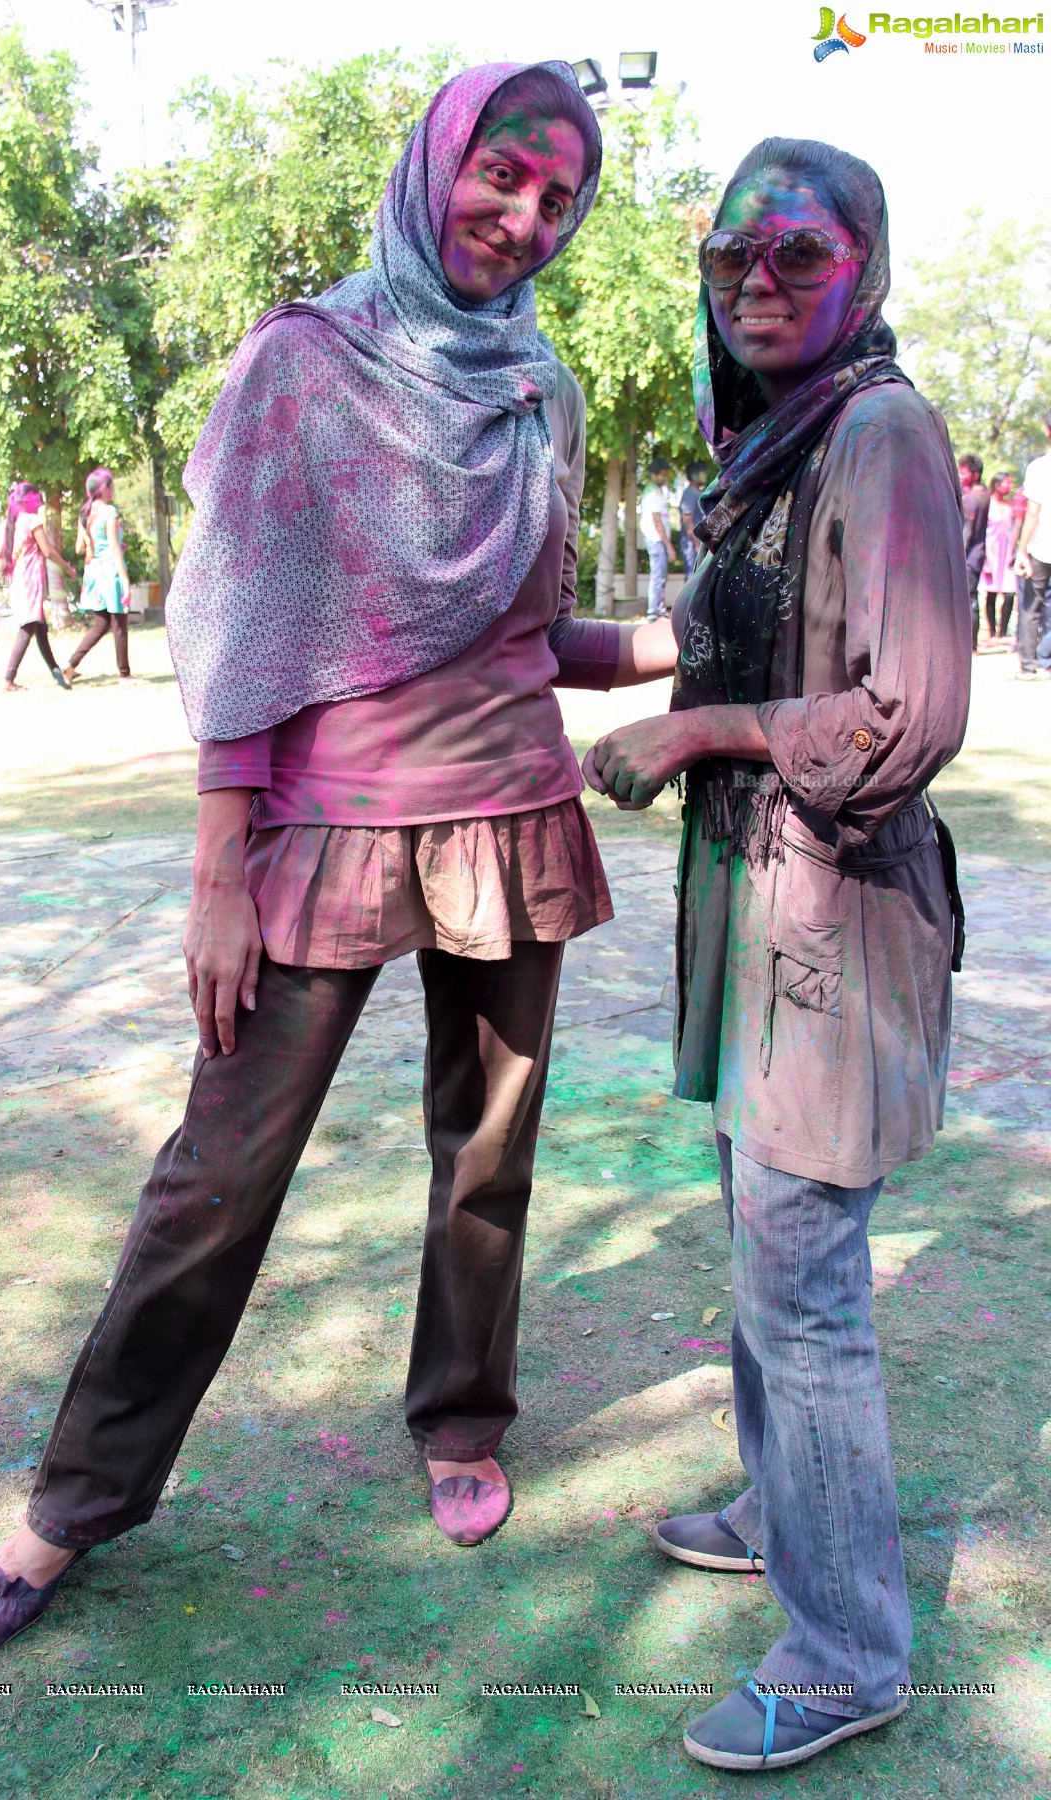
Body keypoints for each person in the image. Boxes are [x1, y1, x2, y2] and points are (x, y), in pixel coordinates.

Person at [0, 59, 669, 1659]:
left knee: (486, 1151)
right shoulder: (306, 358)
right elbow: (249, 619)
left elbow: (526, 630)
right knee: (216, 1177)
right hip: (320, 828)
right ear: (435, 162)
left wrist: (675, 643)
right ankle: (74, 1502)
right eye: (503, 174)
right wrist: (220, 867)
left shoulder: (536, 388)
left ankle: (462, 1418)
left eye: (559, 198)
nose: (524, 216)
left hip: (504, 806)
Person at [585, 137, 969, 1771]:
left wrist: (697, 741)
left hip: (838, 931)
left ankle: (847, 1651)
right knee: (762, 1243)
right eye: (732, 256)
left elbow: (910, 713)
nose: (754, 282)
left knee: (804, 1291)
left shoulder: (878, 434)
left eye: (796, 258)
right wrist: (551, 644)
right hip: (761, 921)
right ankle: (775, 1512)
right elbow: (717, 634)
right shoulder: (772, 450)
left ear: (865, 276)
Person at [0, 483, 75, 691]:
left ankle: (56, 671)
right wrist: (67, 567)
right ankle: (8, 678)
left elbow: (0, 551)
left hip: (20, 579)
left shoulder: (14, 522)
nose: (40, 502)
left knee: (40, 628)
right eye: (37, 498)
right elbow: (47, 550)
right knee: (28, 627)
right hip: (31, 580)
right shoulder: (32, 521)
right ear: (29, 500)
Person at [64, 467, 133, 685]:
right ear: (104, 488)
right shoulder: (109, 512)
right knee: (119, 623)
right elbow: (113, 548)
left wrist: (99, 544)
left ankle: (69, 667)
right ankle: (125, 674)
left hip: (93, 571)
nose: (112, 489)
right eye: (110, 485)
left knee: (101, 624)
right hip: (109, 571)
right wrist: (125, 579)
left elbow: (79, 548)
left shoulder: (85, 514)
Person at [1015, 412, 1051, 678]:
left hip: (1040, 547)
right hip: (1040, 548)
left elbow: (1033, 513)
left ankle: (1029, 666)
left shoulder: (1040, 467)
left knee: (1030, 607)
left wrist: (1021, 550)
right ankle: (1047, 662)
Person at [978, 471, 1018, 646]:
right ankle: (992, 632)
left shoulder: (1010, 506)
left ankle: (1003, 631)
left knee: (1010, 593)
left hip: (1007, 554)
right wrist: (984, 558)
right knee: (991, 593)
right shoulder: (988, 504)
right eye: (1006, 483)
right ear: (997, 484)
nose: (1009, 486)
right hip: (991, 553)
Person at [959, 452, 989, 654]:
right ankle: (973, 644)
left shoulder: (972, 499)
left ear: (975, 474)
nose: (960, 476)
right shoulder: (984, 493)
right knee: (973, 599)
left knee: (969, 601)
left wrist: (958, 556)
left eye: (963, 472)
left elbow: (966, 533)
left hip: (969, 557)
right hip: (978, 555)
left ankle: (970, 645)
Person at [639, 457, 674, 618]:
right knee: (658, 575)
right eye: (662, 474)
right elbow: (657, 521)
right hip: (656, 539)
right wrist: (669, 546)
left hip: (656, 540)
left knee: (660, 575)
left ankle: (658, 608)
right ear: (653, 474)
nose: (664, 478)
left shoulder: (655, 490)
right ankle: (654, 611)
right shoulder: (653, 492)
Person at [678, 460, 707, 579]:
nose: (705, 475)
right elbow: (687, 520)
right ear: (695, 475)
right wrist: (696, 544)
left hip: (696, 542)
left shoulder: (697, 493)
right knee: (692, 577)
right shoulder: (689, 493)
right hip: (691, 543)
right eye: (702, 472)